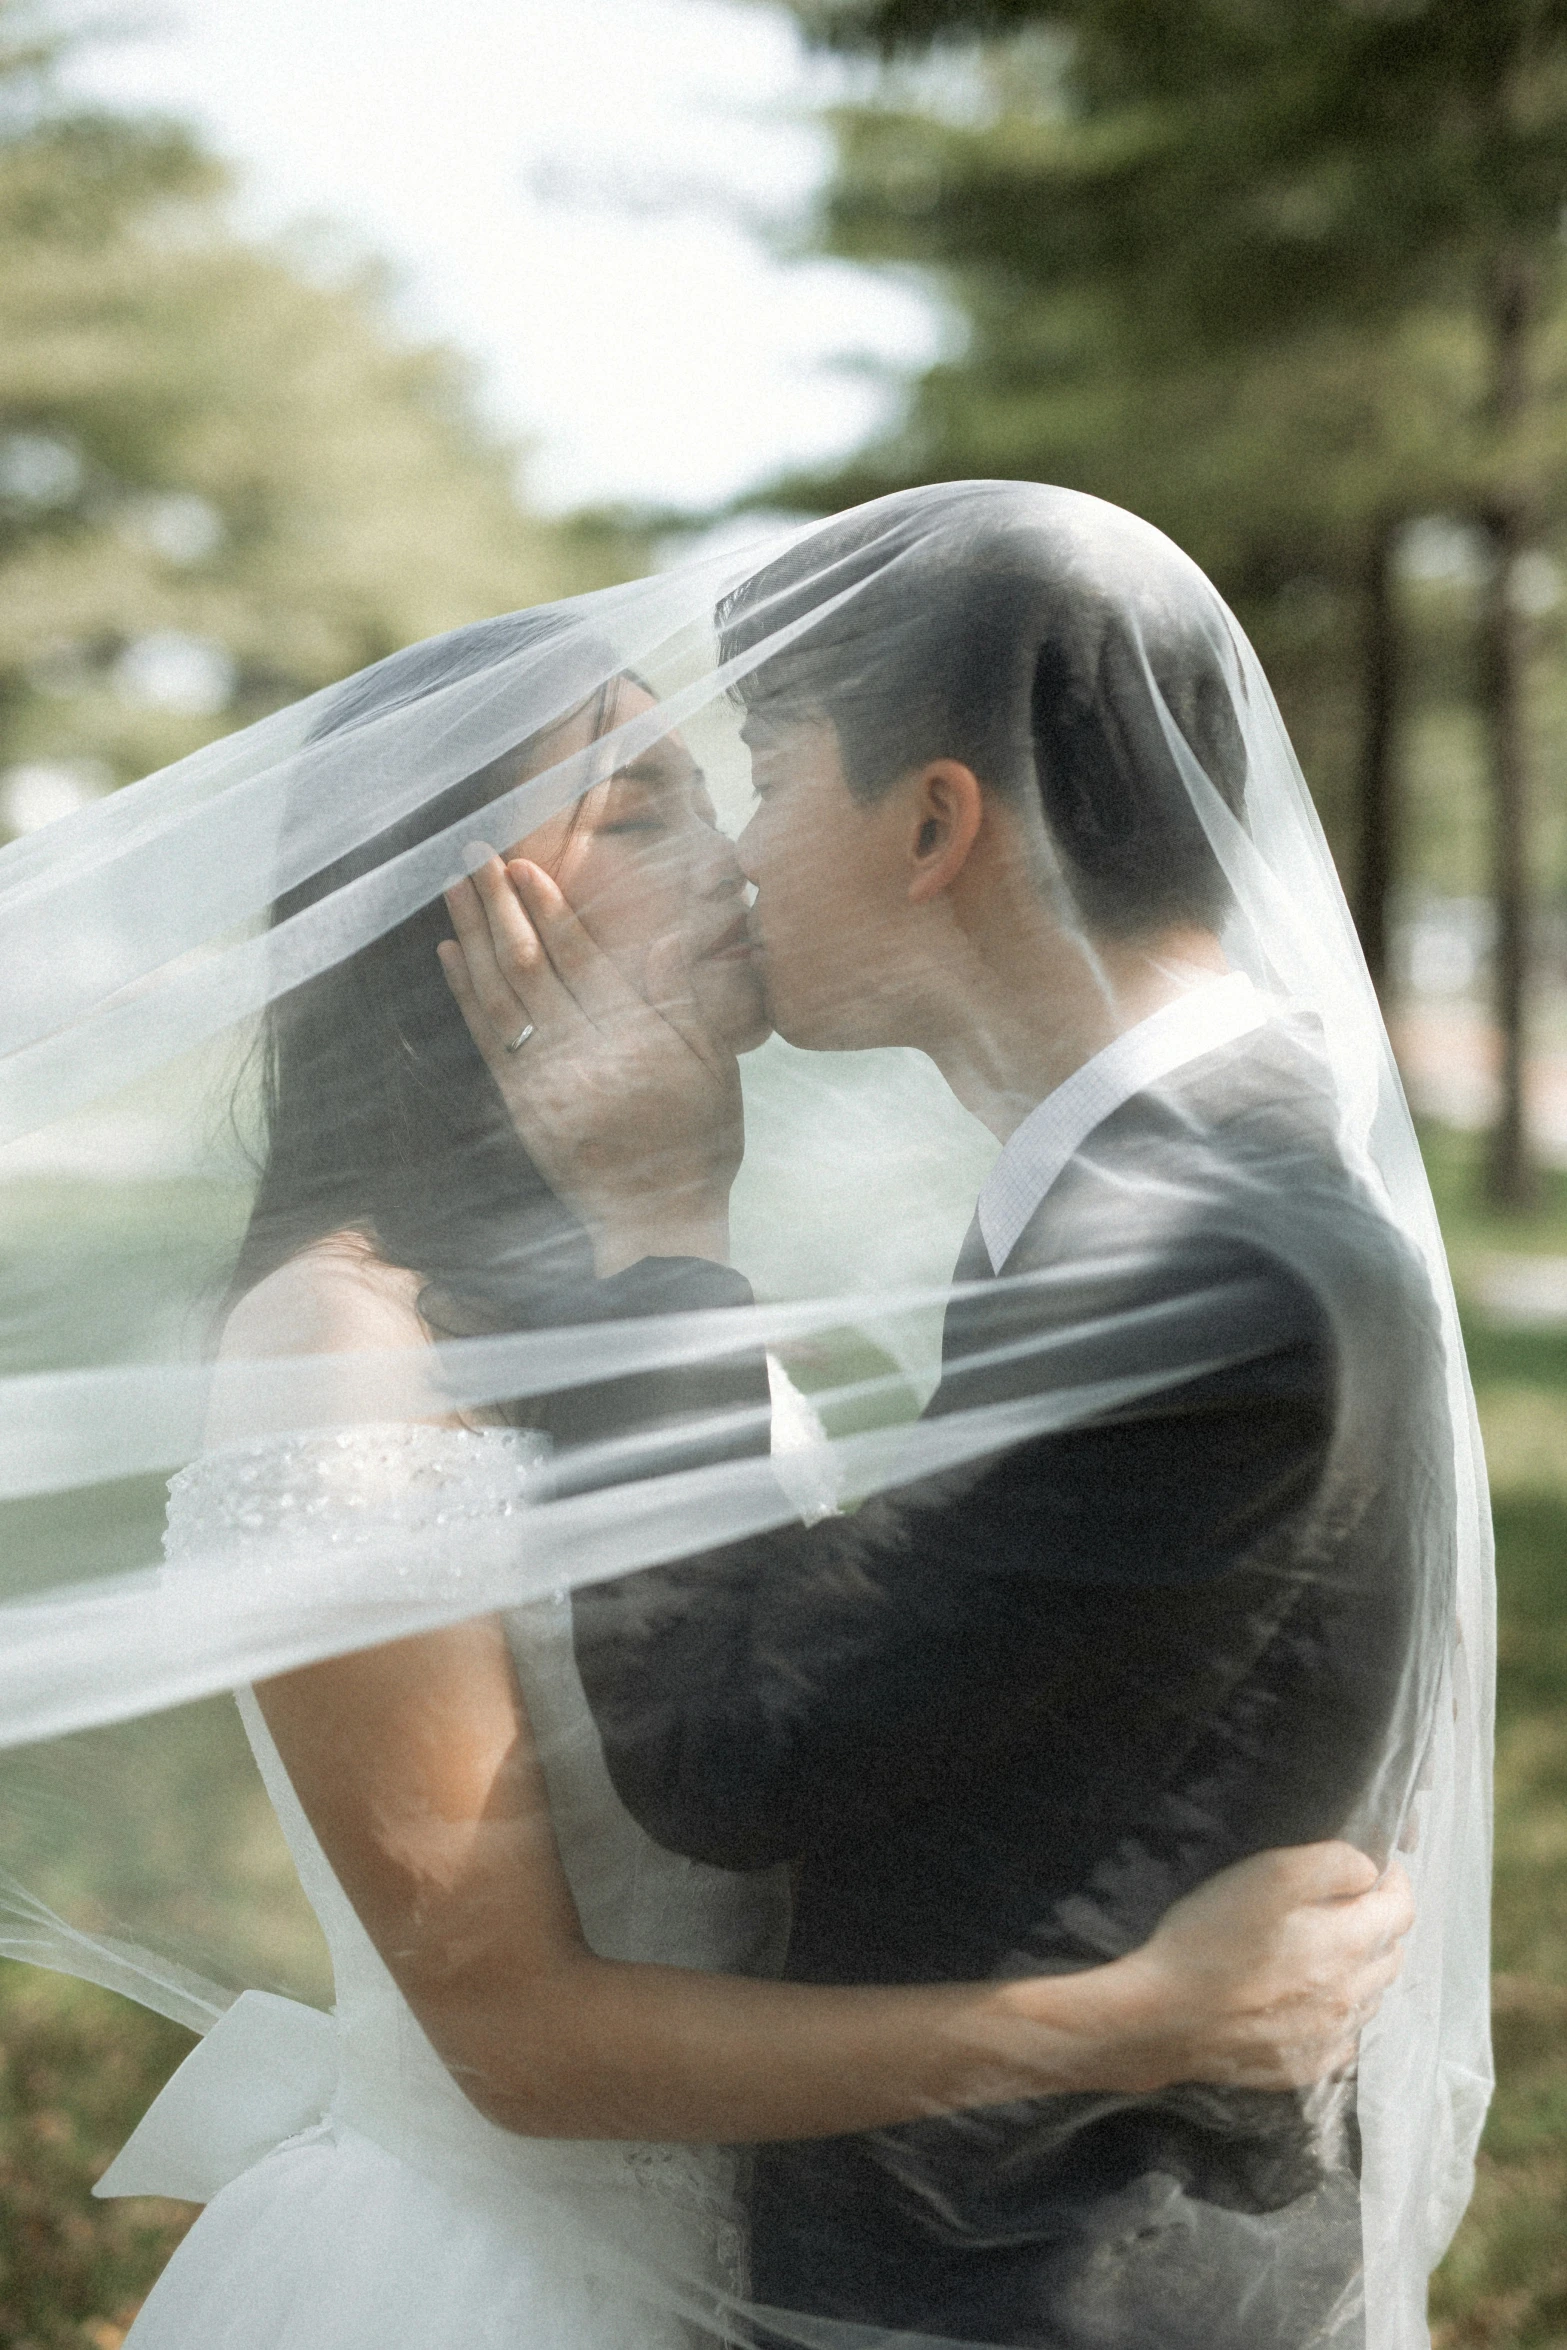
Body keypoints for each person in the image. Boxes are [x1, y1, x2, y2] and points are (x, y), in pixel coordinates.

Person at [91, 605, 1412, 2350]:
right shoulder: (343, 1354)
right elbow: (521, 2042)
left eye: (712, 794)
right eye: (633, 814)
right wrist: (1135, 2016)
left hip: (807, 2259)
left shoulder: (665, 1292)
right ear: (455, 925)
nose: (731, 860)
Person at [431, 486, 1461, 2349]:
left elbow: (733, 1746)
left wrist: (659, 1231)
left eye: (760, 768)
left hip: (1042, 2284)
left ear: (931, 820)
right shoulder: (1189, 1179)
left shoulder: (1196, 1257)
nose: (735, 855)